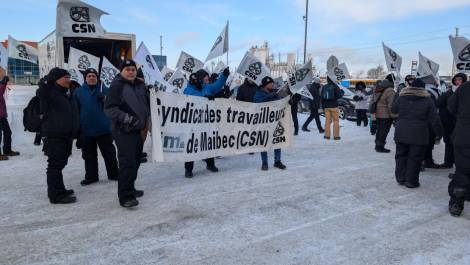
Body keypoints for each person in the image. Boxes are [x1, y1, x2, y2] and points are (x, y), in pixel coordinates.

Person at [104, 60, 150, 208]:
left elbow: (146, 105)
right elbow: (110, 109)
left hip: (139, 131)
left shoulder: (140, 85)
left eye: (133, 69)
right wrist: (128, 120)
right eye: (128, 69)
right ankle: (125, 197)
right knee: (127, 163)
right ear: (121, 71)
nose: (131, 72)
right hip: (124, 131)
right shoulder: (117, 85)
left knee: (136, 161)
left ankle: (130, 187)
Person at [38, 68, 80, 204]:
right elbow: (42, 92)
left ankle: (59, 189)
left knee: (61, 163)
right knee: (55, 165)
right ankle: (56, 195)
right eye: (65, 77)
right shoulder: (50, 93)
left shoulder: (65, 93)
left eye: (69, 77)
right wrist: (45, 82)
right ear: (56, 79)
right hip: (54, 135)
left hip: (65, 135)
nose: (68, 80)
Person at [392, 78, 442, 188]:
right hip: (419, 133)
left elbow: (394, 110)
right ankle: (411, 181)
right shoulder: (428, 100)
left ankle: (401, 178)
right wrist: (439, 133)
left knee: (400, 155)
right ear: (423, 88)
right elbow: (435, 119)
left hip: (401, 131)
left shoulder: (401, 97)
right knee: (415, 158)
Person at [75, 68, 119, 186]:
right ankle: (91, 176)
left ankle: (114, 173)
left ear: (97, 78)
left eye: (94, 76)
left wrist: (105, 98)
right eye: (89, 76)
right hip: (86, 129)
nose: (91, 78)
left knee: (109, 153)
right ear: (85, 78)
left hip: (104, 128)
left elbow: (115, 104)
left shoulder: (104, 90)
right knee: (89, 155)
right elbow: (75, 109)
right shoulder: (78, 92)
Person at [183, 68, 229, 178]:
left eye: (207, 78)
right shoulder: (188, 89)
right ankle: (188, 169)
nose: (207, 80)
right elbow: (190, 94)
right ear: (198, 79)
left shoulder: (207, 87)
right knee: (192, 146)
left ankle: (210, 164)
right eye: (205, 78)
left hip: (207, 122)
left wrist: (224, 76)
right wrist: (204, 97)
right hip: (193, 124)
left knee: (208, 143)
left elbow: (217, 85)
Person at [253, 76, 287, 171]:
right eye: (269, 83)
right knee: (263, 141)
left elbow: (281, 102)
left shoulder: (275, 93)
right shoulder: (258, 93)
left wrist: (288, 100)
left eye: (272, 83)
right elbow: (256, 103)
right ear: (264, 85)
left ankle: (277, 161)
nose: (272, 84)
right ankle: (264, 162)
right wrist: (268, 97)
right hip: (263, 122)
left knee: (277, 140)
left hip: (275, 121)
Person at [447, 81, 470, 217]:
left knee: (462, 170)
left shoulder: (465, 87)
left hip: (464, 134)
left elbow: (451, 107)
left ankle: (456, 202)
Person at [437, 73, 467, 170]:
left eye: (460, 80)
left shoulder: (466, 92)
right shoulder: (449, 92)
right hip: (448, 123)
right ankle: (448, 162)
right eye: (456, 80)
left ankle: (459, 168)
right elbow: (439, 103)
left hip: (461, 124)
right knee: (448, 143)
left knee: (460, 146)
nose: (458, 82)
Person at [372, 79, 396, 153]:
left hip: (378, 114)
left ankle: (377, 145)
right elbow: (391, 105)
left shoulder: (377, 89)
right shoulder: (390, 91)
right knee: (383, 131)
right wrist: (394, 116)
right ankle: (380, 147)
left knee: (379, 130)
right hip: (386, 115)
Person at [0, 75, 20, 161]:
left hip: (1, 114)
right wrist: (3, 83)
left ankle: (7, 150)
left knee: (8, 132)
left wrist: (3, 83)